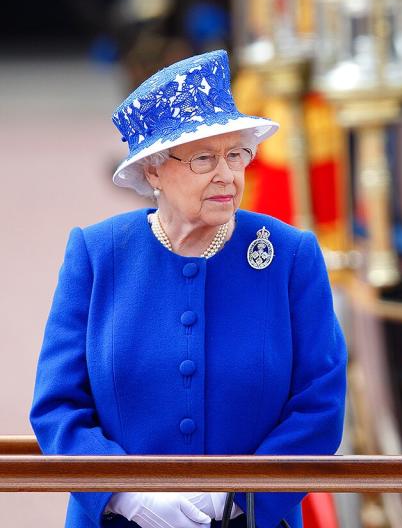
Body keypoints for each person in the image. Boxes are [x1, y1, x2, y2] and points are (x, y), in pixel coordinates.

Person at [30, 50, 348, 528]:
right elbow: (57, 406)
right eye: (204, 158)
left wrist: (238, 497)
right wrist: (126, 493)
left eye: (236, 154)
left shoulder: (289, 255)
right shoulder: (96, 254)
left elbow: (320, 403)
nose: (227, 175)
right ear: (153, 170)